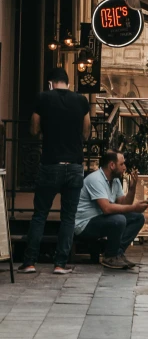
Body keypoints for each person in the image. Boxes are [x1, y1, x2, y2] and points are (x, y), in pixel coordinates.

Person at [17, 67, 91, 275]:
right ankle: (60, 264)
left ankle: (30, 262)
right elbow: (87, 131)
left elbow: (33, 129)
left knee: (40, 214)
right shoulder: (82, 101)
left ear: (50, 83)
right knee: (68, 217)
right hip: (74, 165)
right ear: (68, 83)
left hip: (50, 164)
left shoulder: (43, 97)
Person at [74, 150, 148, 269]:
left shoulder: (115, 181)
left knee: (137, 218)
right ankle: (110, 256)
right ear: (112, 165)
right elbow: (107, 209)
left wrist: (132, 189)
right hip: (84, 224)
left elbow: (124, 204)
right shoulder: (96, 179)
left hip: (101, 220)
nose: (125, 167)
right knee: (118, 219)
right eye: (122, 164)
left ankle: (117, 253)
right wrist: (134, 207)